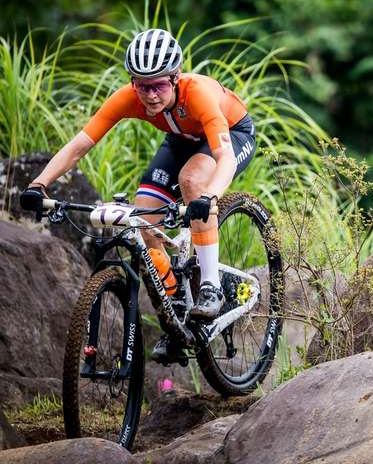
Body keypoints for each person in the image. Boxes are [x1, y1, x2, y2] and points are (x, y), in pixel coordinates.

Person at [19, 28, 257, 363]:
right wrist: (38, 184)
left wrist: (210, 197)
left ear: (175, 78)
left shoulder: (198, 93)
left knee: (192, 181)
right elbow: (80, 146)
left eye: (159, 85)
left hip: (231, 135)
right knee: (143, 217)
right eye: (141, 85)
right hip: (179, 139)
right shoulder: (129, 97)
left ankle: (211, 288)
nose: (150, 95)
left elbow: (225, 158)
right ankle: (176, 312)